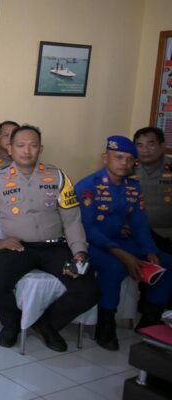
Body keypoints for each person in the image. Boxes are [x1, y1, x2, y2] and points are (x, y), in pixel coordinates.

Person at [0, 125, 98, 352]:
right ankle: (12, 324)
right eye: (20, 145)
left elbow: (72, 220)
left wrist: (79, 252)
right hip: (18, 247)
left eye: (33, 145)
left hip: (55, 247)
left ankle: (47, 325)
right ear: (10, 149)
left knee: (88, 290)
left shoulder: (57, 176)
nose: (27, 151)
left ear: (40, 149)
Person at [75, 135, 172, 351]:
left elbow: (139, 222)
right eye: (118, 157)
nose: (124, 163)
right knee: (113, 267)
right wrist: (121, 253)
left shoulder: (132, 187)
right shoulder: (88, 186)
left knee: (166, 262)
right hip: (93, 243)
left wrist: (149, 250)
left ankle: (150, 320)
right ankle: (105, 326)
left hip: (119, 239)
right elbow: (87, 228)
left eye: (129, 159)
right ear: (105, 158)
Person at [133, 126, 172, 254]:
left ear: (162, 146)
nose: (145, 150)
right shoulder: (127, 167)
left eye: (151, 144)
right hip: (133, 233)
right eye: (140, 145)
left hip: (165, 234)